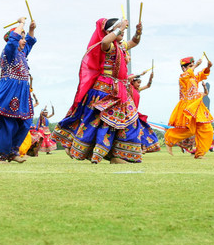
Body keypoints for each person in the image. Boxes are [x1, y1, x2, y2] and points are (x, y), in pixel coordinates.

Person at [55, 18, 148, 164]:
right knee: (97, 122)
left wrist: (138, 32)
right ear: (110, 31)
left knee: (127, 121)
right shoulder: (108, 46)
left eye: (123, 29)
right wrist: (120, 28)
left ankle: (117, 155)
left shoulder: (121, 46)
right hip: (104, 90)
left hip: (120, 90)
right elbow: (105, 42)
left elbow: (134, 42)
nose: (123, 31)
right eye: (119, 29)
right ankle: (78, 146)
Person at [0, 19, 38, 162]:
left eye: (23, 37)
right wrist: (21, 23)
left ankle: (12, 151)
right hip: (9, 90)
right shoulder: (9, 51)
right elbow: (13, 41)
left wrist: (31, 29)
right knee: (7, 122)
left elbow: (29, 42)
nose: (24, 40)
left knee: (26, 122)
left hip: (21, 92)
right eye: (21, 37)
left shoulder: (22, 53)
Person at [164, 56, 214, 159]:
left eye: (193, 65)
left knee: (207, 129)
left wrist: (208, 67)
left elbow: (202, 74)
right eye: (190, 66)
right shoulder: (183, 77)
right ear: (184, 68)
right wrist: (196, 65)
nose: (193, 67)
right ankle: (169, 139)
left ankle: (200, 153)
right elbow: (187, 75)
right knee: (191, 131)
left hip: (197, 106)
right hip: (188, 106)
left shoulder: (194, 77)